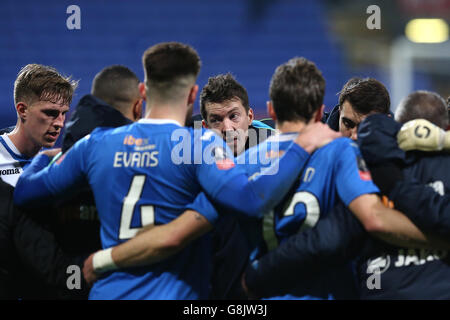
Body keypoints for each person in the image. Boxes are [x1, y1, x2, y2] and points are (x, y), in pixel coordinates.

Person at [81, 57, 426, 301]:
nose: (227, 128)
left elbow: (174, 235)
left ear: (269, 111)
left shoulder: (239, 167)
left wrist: (105, 259)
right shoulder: (342, 154)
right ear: (322, 113)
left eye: (234, 117)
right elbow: (376, 220)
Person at [14, 42, 339, 300]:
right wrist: (302, 145)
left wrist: (45, 157)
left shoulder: (95, 145)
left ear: (143, 92)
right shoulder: (199, 146)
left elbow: (26, 193)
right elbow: (253, 198)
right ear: (193, 95)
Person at [243, 90, 450, 299]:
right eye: (348, 124)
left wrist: (258, 273)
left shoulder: (371, 174)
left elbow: (327, 239)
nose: (354, 135)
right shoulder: (360, 166)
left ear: (396, 127)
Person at [0, 64, 77, 186]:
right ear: (22, 110)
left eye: (64, 113)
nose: (60, 123)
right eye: (50, 113)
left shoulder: (54, 163)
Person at [199, 73, 274, 156]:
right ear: (206, 128)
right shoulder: (192, 154)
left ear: (249, 117)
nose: (228, 130)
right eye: (216, 120)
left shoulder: (275, 147)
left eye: (234, 116)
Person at [325, 77, 391, 140]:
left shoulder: (399, 145)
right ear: (339, 113)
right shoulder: (315, 140)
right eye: (347, 124)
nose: (354, 136)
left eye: (365, 128)